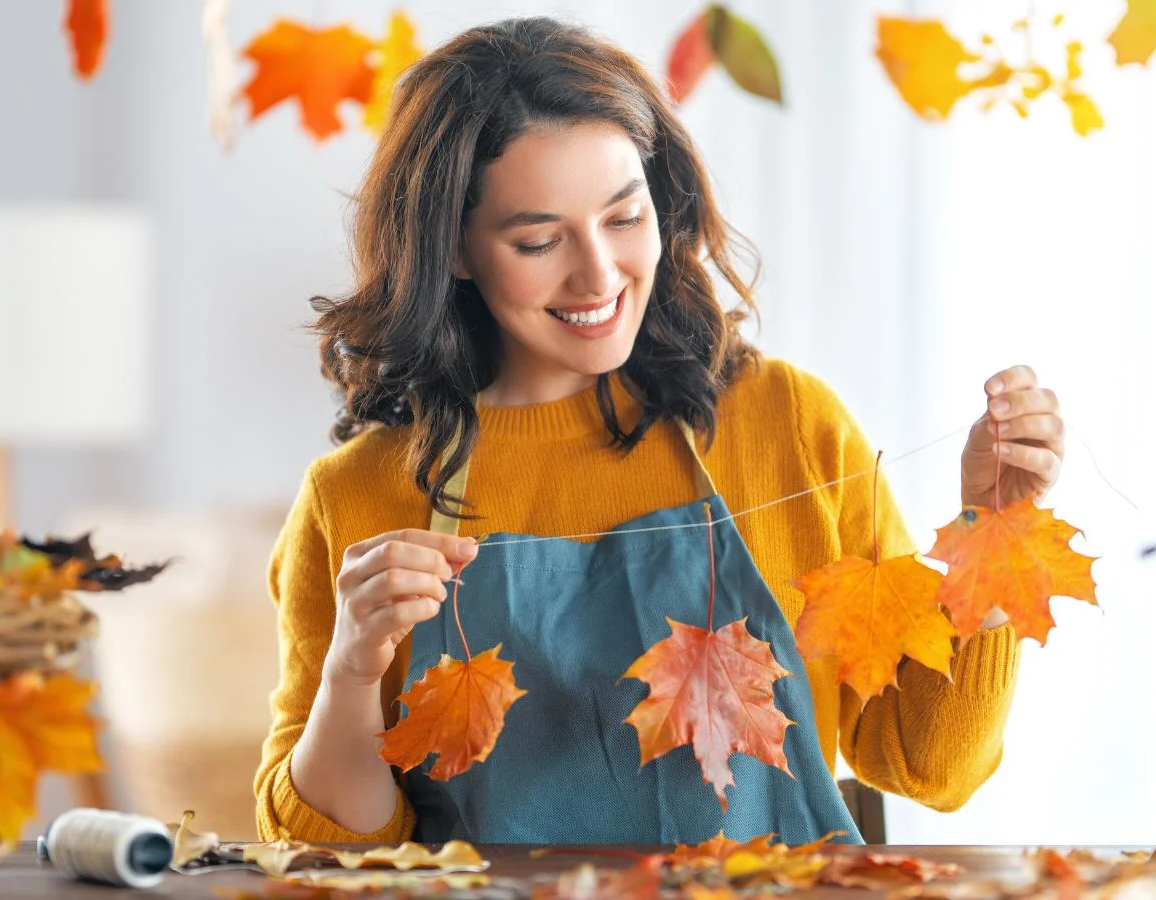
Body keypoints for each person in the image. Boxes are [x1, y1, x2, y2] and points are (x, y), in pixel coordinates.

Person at [254, 15, 1065, 846]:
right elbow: (325, 855)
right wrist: (353, 670)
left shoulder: (786, 422)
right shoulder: (352, 498)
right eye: (538, 239)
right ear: (455, 249)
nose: (599, 274)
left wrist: (989, 531)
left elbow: (932, 765)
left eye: (623, 216)